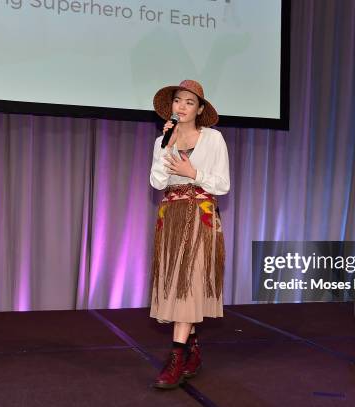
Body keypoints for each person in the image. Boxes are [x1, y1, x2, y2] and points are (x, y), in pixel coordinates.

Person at [149, 79, 230, 389]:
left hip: (200, 216)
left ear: (200, 109)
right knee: (176, 286)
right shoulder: (162, 140)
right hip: (170, 217)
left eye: (189, 102)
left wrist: (192, 173)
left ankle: (176, 356)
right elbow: (157, 182)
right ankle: (193, 351)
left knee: (190, 284)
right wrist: (167, 146)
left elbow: (222, 184)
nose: (181, 107)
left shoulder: (213, 139)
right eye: (178, 101)